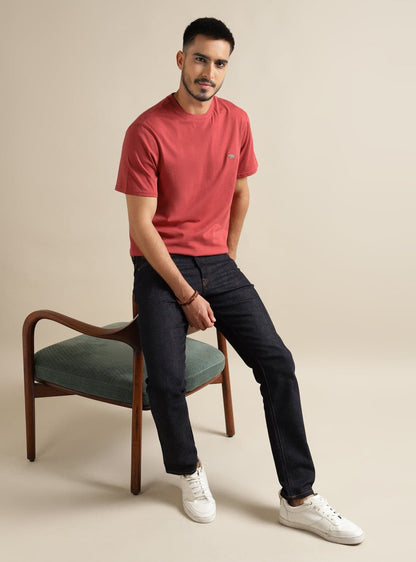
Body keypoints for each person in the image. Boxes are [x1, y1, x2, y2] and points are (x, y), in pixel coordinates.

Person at [115, 17, 364, 545]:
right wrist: (187, 293)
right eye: (200, 59)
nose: (209, 72)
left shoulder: (237, 120)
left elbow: (240, 192)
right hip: (161, 263)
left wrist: (226, 260)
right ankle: (187, 470)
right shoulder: (146, 130)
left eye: (220, 63)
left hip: (216, 261)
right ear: (181, 60)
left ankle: (299, 498)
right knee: (165, 380)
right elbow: (141, 226)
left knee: (278, 362)